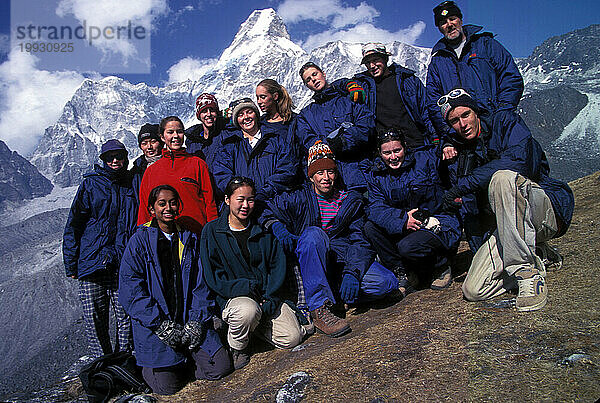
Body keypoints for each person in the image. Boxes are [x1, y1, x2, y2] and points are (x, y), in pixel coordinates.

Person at [437, 88, 574, 312]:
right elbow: (472, 211)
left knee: (502, 178)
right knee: (474, 290)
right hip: (508, 226)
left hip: (543, 211)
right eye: (454, 121)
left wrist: (465, 185)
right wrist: (480, 248)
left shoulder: (506, 122)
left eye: (465, 115)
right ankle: (538, 254)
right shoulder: (460, 151)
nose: (462, 124)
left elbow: (519, 162)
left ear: (476, 112)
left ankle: (527, 275)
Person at [260, 141, 398, 337]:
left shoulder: (349, 201)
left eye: (330, 172)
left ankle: (337, 294)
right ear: (311, 176)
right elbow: (264, 208)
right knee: (314, 234)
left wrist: (353, 272)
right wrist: (276, 226)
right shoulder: (299, 198)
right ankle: (319, 308)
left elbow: (360, 240)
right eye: (319, 172)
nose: (326, 178)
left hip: (341, 261)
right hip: (312, 262)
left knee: (387, 283)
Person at [119, 185, 232, 395]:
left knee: (221, 367)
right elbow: (131, 290)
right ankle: (155, 367)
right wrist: (161, 325)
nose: (168, 208)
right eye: (162, 204)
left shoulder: (189, 238)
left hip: (187, 320)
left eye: (172, 202)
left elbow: (201, 284)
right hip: (158, 327)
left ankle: (185, 359)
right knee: (167, 388)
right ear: (152, 209)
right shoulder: (139, 241)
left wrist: (196, 321)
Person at [200, 177, 306, 370]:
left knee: (293, 337)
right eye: (240, 199)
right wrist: (245, 288)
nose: (245, 205)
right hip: (236, 299)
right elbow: (213, 276)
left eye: (250, 200)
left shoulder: (263, 230)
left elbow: (276, 267)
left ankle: (252, 329)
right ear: (227, 200)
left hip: (265, 298)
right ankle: (238, 346)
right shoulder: (212, 231)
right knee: (247, 311)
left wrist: (270, 297)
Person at [361, 129, 461, 294]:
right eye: (387, 153)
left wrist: (447, 145)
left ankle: (441, 265)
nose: (393, 157)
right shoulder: (375, 175)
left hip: (437, 220)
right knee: (370, 228)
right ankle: (404, 271)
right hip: (405, 224)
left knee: (407, 246)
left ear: (405, 147)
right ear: (379, 153)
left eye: (397, 150)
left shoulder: (424, 159)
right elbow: (375, 207)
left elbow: (443, 146)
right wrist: (401, 220)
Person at [63, 139, 136, 358]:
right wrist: (71, 264)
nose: (115, 161)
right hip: (91, 263)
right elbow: (74, 224)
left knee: (126, 318)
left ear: (125, 158)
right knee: (94, 321)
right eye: (110, 157)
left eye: (119, 156)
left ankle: (124, 365)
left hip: (121, 263)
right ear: (103, 160)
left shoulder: (132, 182)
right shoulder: (90, 184)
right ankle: (103, 370)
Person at [426, 0, 524, 153]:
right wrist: (449, 131)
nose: (449, 24)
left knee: (511, 165)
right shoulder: (437, 62)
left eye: (452, 19)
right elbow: (433, 101)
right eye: (443, 22)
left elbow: (510, 78)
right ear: (439, 28)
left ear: (460, 19)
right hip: (461, 134)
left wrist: (502, 113)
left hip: (496, 127)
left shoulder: (486, 45)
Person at [335, 43, 437, 148]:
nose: (372, 66)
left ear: (385, 59)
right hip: (385, 151)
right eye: (367, 62)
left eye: (375, 60)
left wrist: (435, 137)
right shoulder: (364, 85)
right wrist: (348, 84)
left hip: (417, 144)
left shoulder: (408, 80)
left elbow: (426, 110)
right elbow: (331, 87)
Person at [295, 62, 375, 191]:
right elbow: (307, 139)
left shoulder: (348, 100)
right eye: (308, 80)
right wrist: (325, 146)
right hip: (329, 181)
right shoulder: (306, 115)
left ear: (323, 74)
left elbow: (366, 126)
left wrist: (342, 142)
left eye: (315, 74)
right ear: (307, 86)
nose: (313, 80)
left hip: (360, 172)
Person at [137, 116, 217, 234]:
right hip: (164, 240)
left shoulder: (198, 164)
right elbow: (144, 209)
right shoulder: (151, 172)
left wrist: (213, 233)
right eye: (170, 132)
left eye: (179, 132)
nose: (176, 136)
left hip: (196, 234)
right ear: (162, 137)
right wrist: (143, 236)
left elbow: (209, 203)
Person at [213, 98, 299, 202]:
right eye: (240, 115)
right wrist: (240, 192)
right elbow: (222, 174)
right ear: (236, 120)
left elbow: (286, 169)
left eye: (249, 112)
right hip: (241, 206)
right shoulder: (229, 146)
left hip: (273, 203)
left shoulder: (276, 140)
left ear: (256, 114)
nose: (246, 117)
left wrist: (265, 192)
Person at [131, 123, 163, 205]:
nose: (149, 147)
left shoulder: (171, 163)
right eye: (144, 143)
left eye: (153, 142)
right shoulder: (137, 170)